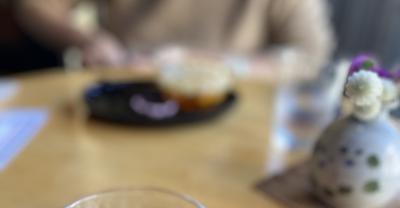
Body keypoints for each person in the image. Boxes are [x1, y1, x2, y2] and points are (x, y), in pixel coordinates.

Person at [14, 0, 334, 79]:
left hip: (238, 111)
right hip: (125, 89)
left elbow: (309, 55)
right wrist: (86, 39)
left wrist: (193, 62)